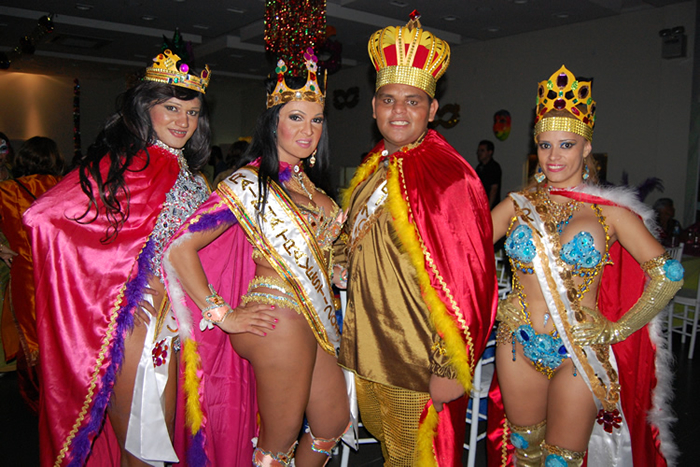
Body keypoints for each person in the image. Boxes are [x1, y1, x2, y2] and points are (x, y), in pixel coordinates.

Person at [23, 49, 212, 466]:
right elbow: (43, 216)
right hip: (137, 327)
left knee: (165, 442)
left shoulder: (193, 177)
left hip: (181, 326)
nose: (183, 121)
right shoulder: (125, 166)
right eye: (172, 108)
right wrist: (121, 284)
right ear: (146, 108)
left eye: (193, 112)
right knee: (143, 448)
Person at [163, 50, 349, 467]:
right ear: (272, 122)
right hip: (277, 317)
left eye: (316, 119)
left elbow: (318, 247)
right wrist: (221, 313)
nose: (308, 130)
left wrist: (336, 268)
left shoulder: (308, 183)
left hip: (312, 316)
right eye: (295, 117)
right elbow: (179, 246)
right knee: (278, 443)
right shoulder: (249, 184)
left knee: (332, 422)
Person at [487, 65, 680, 466]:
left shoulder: (610, 213)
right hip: (517, 343)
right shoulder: (517, 205)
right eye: (545, 145)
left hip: (579, 351)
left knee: (563, 460)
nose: (554, 156)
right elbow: (463, 249)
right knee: (525, 454)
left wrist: (617, 329)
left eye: (566, 145)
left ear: (586, 147)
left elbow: (668, 275)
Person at [333, 13, 498, 466]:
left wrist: (450, 366)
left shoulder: (451, 177)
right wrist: (340, 261)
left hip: (414, 359)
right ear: (373, 107)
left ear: (432, 109)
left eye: (412, 101)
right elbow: (352, 235)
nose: (399, 111)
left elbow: (469, 280)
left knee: (412, 458)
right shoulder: (373, 167)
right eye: (388, 100)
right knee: (389, 451)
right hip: (366, 346)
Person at [0, 136, 64, 413]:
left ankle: (39, 400)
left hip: (26, 274)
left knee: (33, 336)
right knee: (61, 333)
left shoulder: (6, 191)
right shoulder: (67, 187)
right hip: (63, 274)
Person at [476, 139, 502, 209]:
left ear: (490, 152)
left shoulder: (494, 167)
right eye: (478, 151)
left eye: (482, 151)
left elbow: (494, 189)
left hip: (491, 206)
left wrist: (488, 208)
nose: (479, 153)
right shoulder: (479, 167)